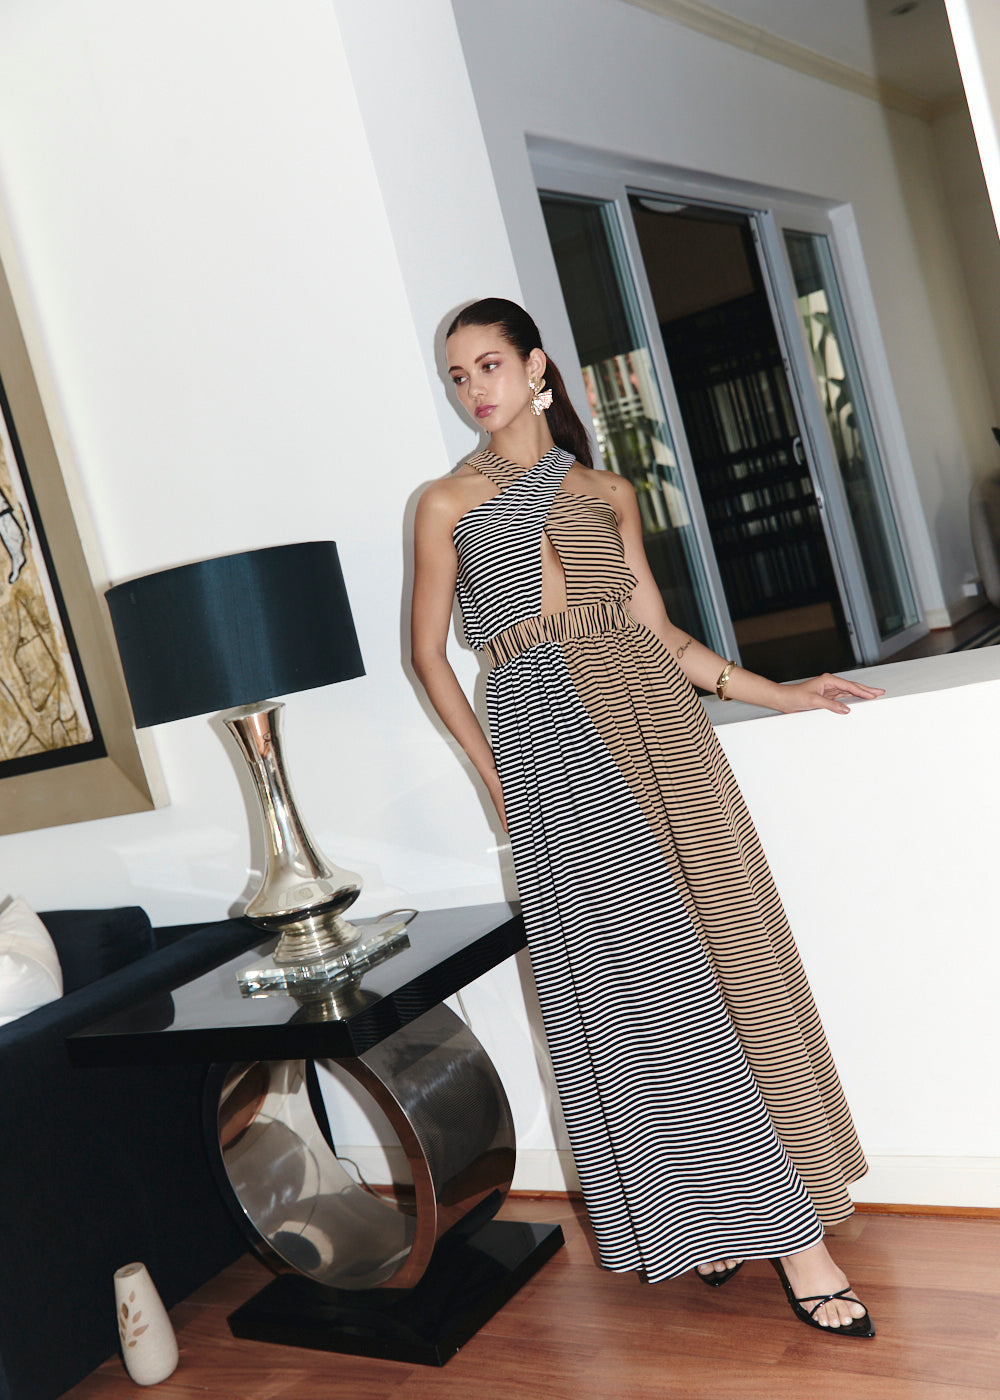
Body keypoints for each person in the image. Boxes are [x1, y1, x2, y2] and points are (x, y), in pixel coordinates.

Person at [410, 296, 883, 1337]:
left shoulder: (607, 491)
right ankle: (712, 1216)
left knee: (729, 965)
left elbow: (663, 637)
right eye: (457, 374)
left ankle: (792, 1230)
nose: (474, 387)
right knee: (642, 994)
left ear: (537, 366)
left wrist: (782, 691)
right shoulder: (444, 503)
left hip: (662, 736)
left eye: (490, 364)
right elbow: (427, 656)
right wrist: (495, 776)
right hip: (551, 751)